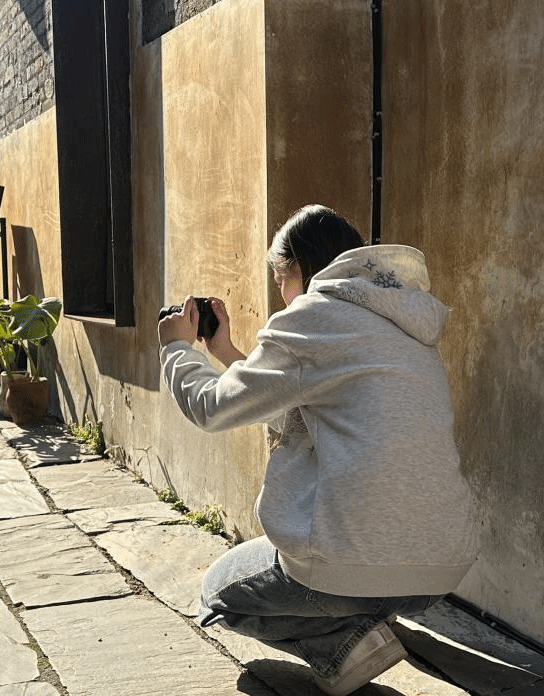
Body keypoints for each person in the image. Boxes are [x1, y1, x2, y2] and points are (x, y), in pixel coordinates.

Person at [157, 204, 478, 695]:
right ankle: (364, 619)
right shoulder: (406, 320)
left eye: (280, 280)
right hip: (440, 570)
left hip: (351, 565)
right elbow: (302, 408)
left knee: (218, 594)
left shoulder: (311, 317)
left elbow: (211, 408)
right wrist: (225, 354)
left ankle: (345, 642)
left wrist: (175, 348)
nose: (282, 297)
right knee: (358, 568)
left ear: (299, 269)